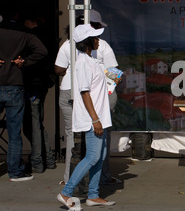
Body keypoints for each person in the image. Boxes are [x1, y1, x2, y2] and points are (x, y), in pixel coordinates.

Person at [55, 10, 121, 187]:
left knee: (72, 136)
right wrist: (110, 84)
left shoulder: (68, 45)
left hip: (68, 90)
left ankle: (70, 177)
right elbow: (113, 71)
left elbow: (57, 69)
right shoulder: (102, 46)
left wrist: (71, 71)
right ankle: (102, 178)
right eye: (98, 28)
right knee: (102, 138)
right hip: (97, 95)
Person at [0, 21, 48, 181]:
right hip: (14, 84)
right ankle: (14, 172)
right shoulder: (24, 34)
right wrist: (25, 61)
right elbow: (42, 51)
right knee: (14, 133)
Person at [21, 12, 57, 173]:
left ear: (29, 21)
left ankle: (38, 161)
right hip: (41, 84)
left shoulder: (29, 38)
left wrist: (24, 62)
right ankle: (47, 158)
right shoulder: (47, 36)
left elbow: (41, 55)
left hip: (33, 84)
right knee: (36, 122)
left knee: (32, 124)